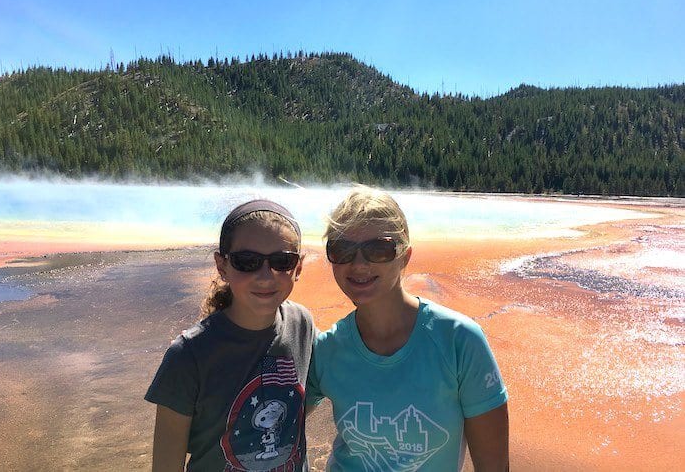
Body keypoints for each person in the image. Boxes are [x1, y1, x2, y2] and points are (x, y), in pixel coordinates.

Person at [307, 186, 509, 471]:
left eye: (379, 250)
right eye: (342, 250)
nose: (359, 264)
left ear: (405, 256)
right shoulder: (327, 349)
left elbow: (494, 466)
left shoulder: (458, 341)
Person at [146, 200, 316, 472]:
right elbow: (166, 464)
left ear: (298, 268)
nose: (265, 275)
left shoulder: (301, 325)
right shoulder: (189, 355)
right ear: (222, 266)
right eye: (247, 261)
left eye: (281, 261)